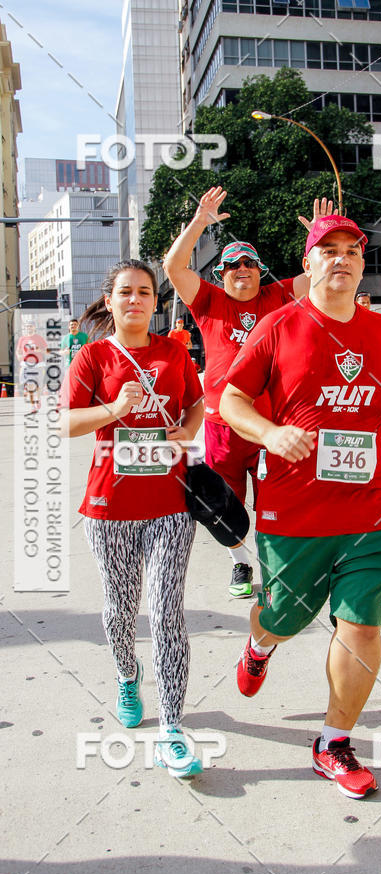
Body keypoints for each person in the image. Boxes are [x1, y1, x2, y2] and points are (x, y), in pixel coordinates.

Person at [220, 214, 381, 799]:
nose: (341, 259)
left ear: (362, 264)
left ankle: (332, 741)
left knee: (361, 624)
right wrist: (267, 432)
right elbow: (232, 400)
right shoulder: (278, 326)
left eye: (351, 251)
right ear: (308, 263)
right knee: (282, 618)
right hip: (297, 511)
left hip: (373, 509)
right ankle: (260, 645)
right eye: (328, 250)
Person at [60, 259, 205, 778]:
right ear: (111, 301)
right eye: (126, 292)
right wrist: (114, 410)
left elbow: (196, 404)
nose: (136, 300)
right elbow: (66, 422)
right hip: (110, 507)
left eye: (145, 292)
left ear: (154, 301)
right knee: (120, 609)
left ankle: (172, 727)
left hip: (169, 506)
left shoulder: (173, 352)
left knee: (167, 612)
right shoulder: (94, 356)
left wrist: (186, 433)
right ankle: (127, 673)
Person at [163, 185, 334, 599]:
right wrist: (200, 221)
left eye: (251, 264)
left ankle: (275, 566)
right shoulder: (209, 302)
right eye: (234, 265)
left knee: (275, 499)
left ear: (261, 271)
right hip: (222, 425)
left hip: (269, 424)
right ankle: (241, 562)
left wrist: (321, 237)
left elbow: (323, 273)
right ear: (221, 275)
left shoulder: (278, 296)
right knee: (227, 505)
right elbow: (173, 267)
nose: (243, 269)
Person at [16, 321, 48, 408]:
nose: (28, 328)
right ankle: (32, 404)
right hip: (26, 364)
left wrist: (40, 350)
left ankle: (38, 399)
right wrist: (18, 356)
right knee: (29, 384)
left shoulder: (39, 338)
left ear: (34, 327)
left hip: (38, 364)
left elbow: (47, 350)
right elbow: (18, 350)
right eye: (27, 326)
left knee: (38, 384)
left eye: (30, 326)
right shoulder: (22, 339)